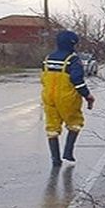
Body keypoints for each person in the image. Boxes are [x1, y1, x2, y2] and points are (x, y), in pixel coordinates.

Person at [41, 30, 95, 168]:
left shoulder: (48, 58)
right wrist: (87, 95)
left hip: (48, 97)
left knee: (52, 127)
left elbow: (43, 78)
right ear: (73, 44)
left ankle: (55, 159)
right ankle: (68, 151)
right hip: (67, 98)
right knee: (75, 122)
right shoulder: (72, 59)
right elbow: (77, 81)